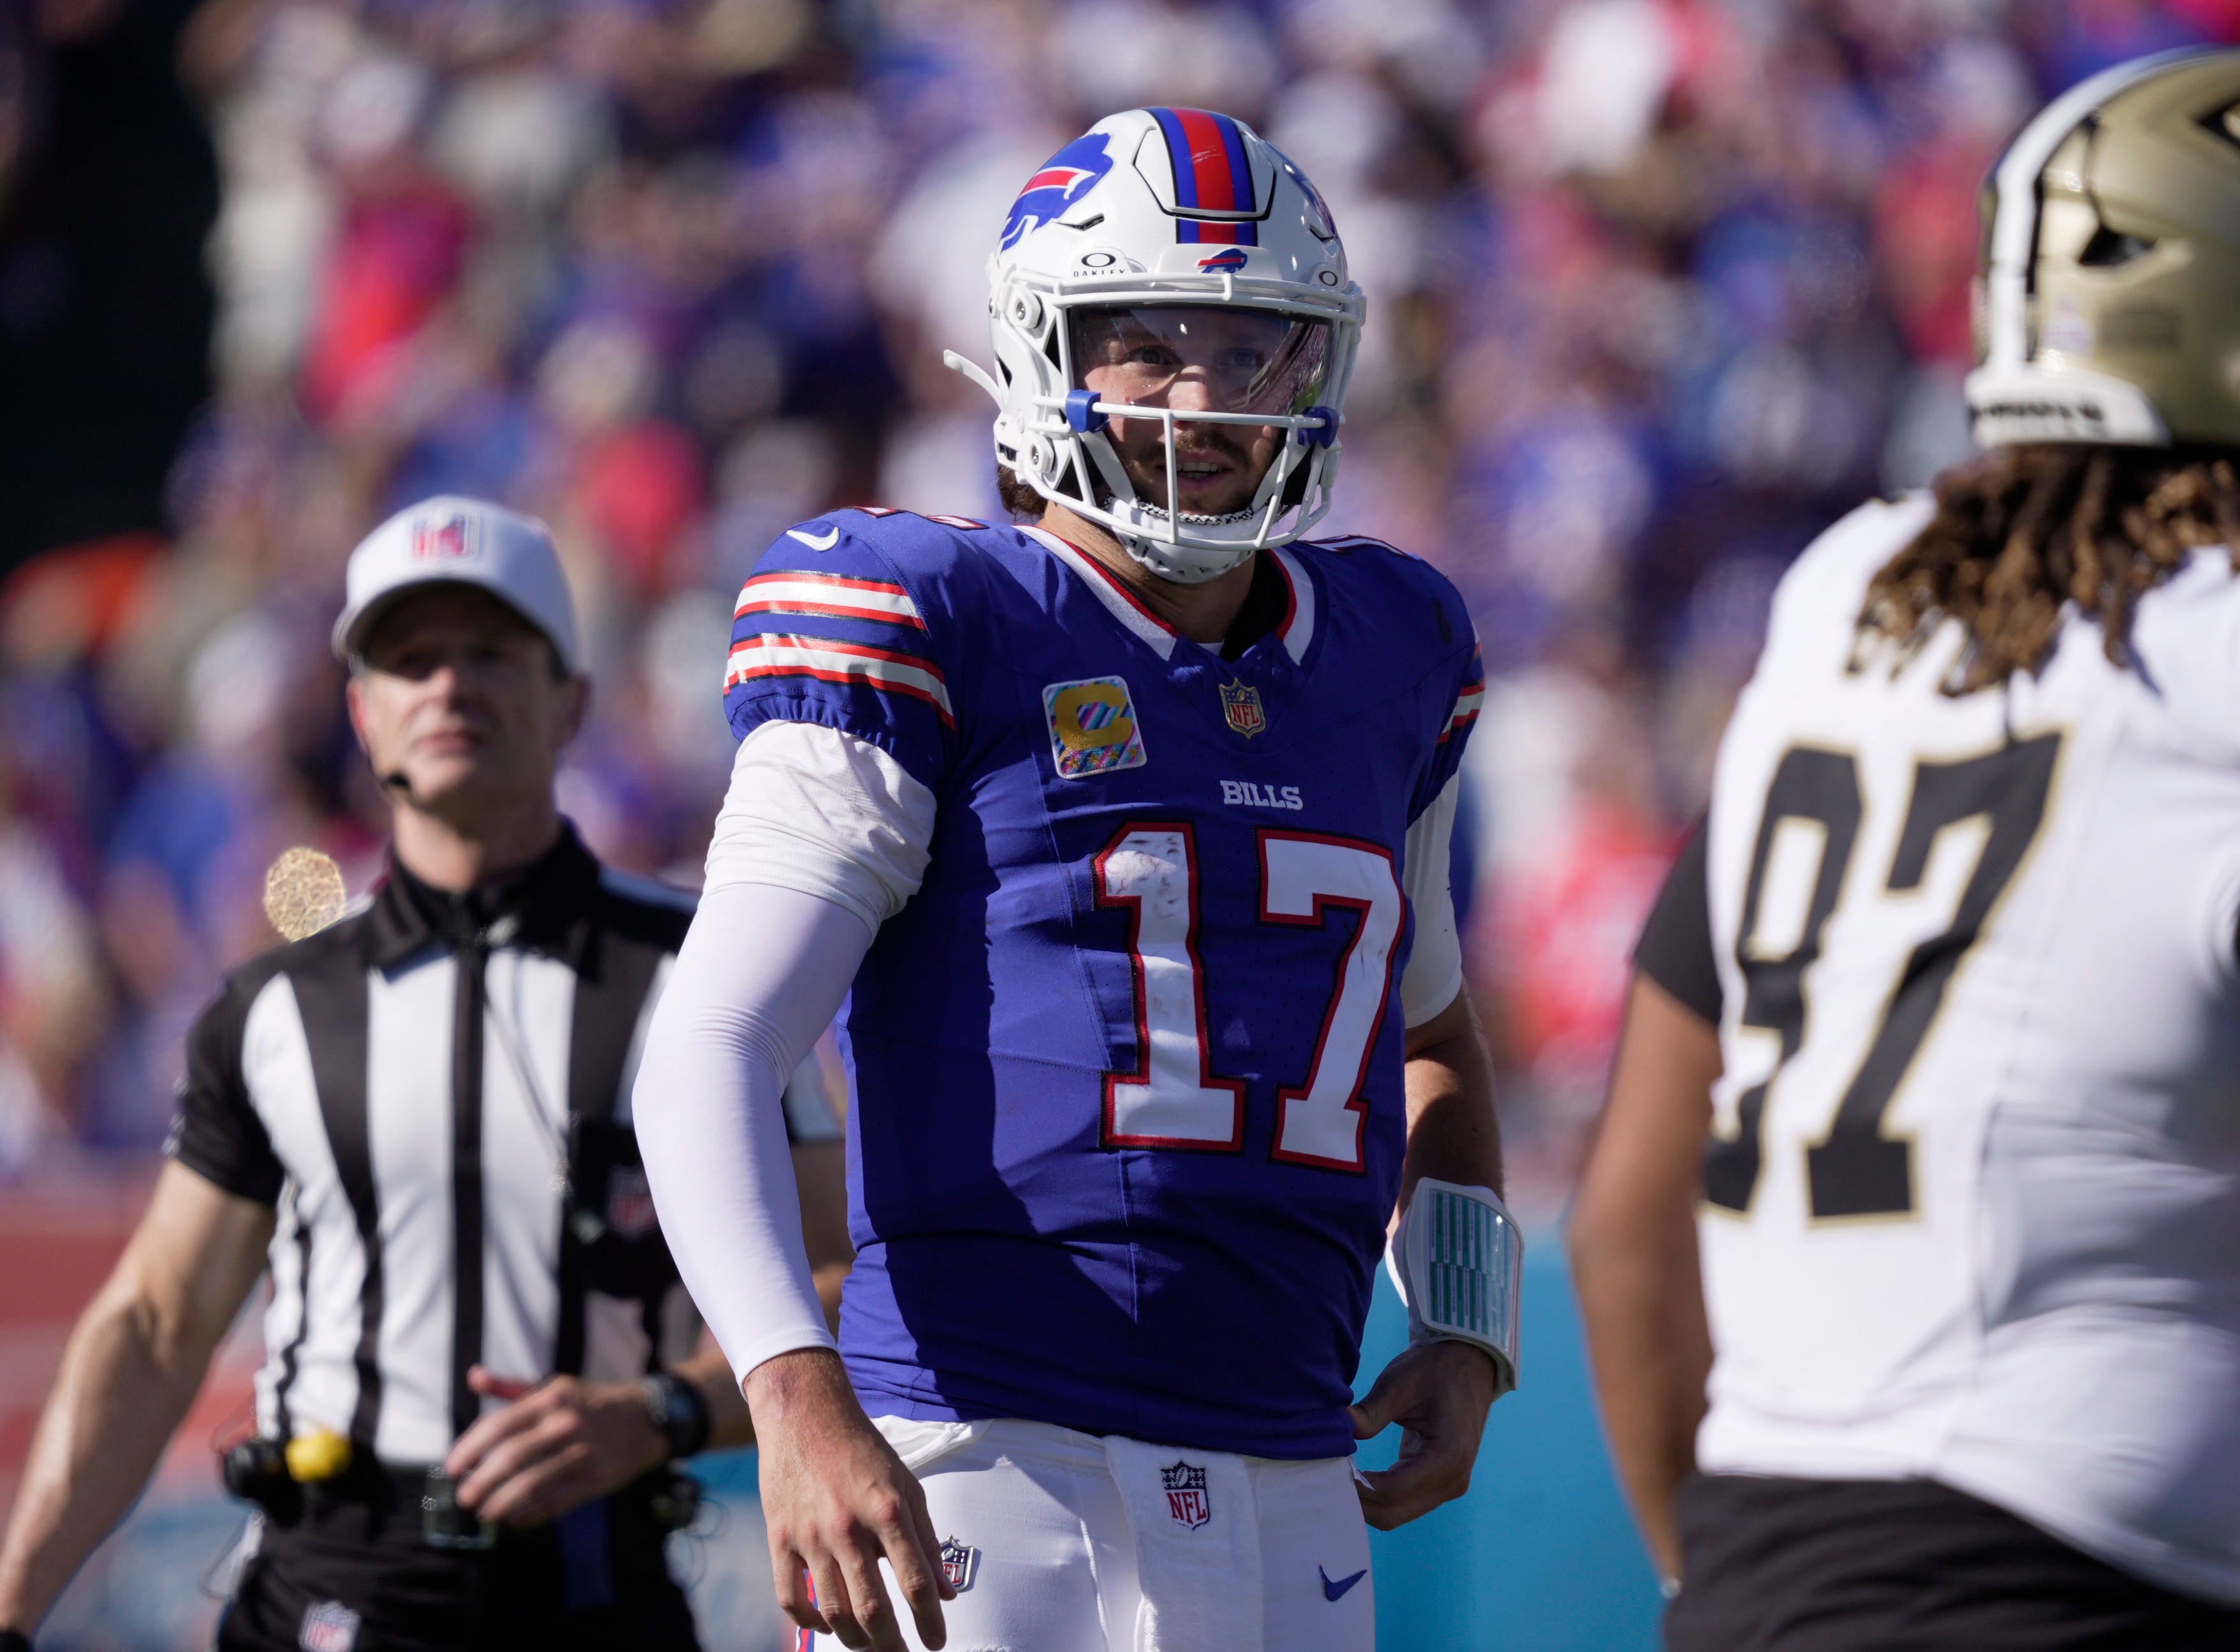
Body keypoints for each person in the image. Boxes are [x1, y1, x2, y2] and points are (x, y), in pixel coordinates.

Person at [632, 107, 1520, 1652]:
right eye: (1144, 346)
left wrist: (1465, 1323)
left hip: (1294, 1468)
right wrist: (792, 1398)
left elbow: (1431, 1041)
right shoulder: (935, 614)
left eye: (1252, 352)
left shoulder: (1390, 651)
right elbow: (709, 1042)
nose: (1203, 399)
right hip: (984, 1464)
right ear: (1040, 356)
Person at [1571, 47, 2240, 1652]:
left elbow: (1622, 1228)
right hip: (2091, 1582)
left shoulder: (1843, 602)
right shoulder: (2214, 657)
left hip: (1761, 1574)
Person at [0, 496, 853, 1652]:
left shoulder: (708, 977)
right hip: (325, 1587)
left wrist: (655, 1414)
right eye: (410, 660)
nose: (449, 686)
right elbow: (157, 1322)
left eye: (491, 652)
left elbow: (839, 1281)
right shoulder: (274, 1006)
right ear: (361, 713)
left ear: (573, 702)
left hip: (598, 1585)